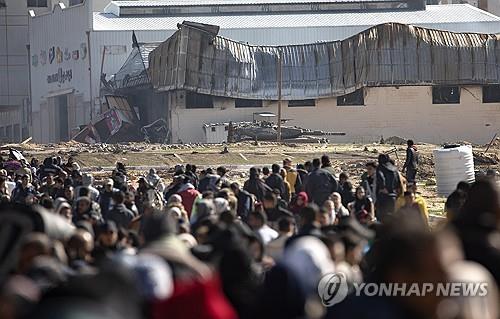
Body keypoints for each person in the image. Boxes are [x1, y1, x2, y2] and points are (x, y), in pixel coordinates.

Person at [375, 154, 400, 222]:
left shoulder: (380, 167)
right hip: (393, 197)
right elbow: (399, 183)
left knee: (382, 219)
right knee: (392, 219)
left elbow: (381, 178)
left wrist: (383, 187)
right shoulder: (395, 169)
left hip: (384, 197)